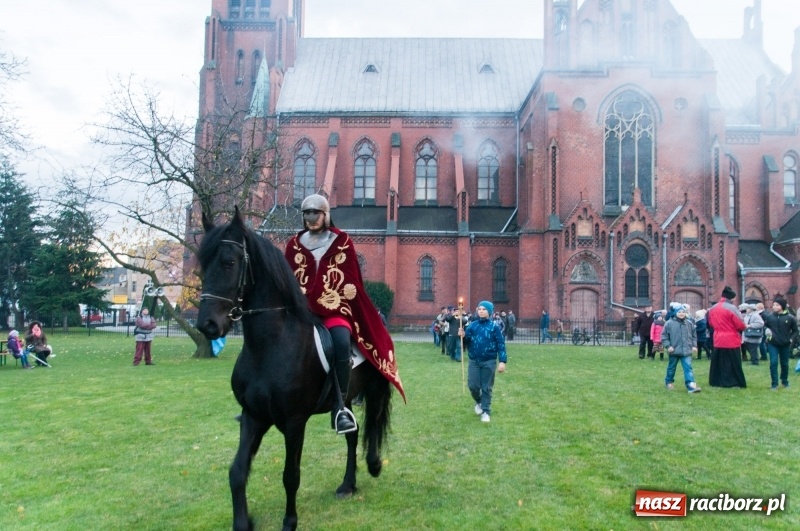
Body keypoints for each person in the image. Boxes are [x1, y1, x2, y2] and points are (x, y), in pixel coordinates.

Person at [285, 194, 404, 434]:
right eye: (306, 214)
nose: (311, 218)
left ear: (326, 214)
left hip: (333, 310)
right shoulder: (294, 245)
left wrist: (324, 299)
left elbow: (349, 282)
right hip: (301, 313)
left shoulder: (342, 242)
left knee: (340, 340)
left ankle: (340, 407)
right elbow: (287, 279)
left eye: (315, 213)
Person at [458, 300, 507, 423]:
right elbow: (466, 341)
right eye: (479, 309)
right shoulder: (472, 326)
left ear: (489, 312)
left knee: (486, 387)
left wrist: (502, 361)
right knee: (473, 386)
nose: (481, 311)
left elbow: (501, 344)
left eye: (484, 309)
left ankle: (486, 411)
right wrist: (462, 335)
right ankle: (479, 402)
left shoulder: (494, 327)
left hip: (489, 361)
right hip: (474, 361)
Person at [707, 286, 747, 388]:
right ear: (731, 298)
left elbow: (710, 323)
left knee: (718, 362)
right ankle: (732, 382)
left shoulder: (713, 308)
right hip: (731, 339)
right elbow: (740, 324)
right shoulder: (732, 308)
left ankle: (716, 381)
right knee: (732, 362)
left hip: (718, 339)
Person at [661, 304, 701, 393]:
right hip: (674, 350)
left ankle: (691, 384)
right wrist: (668, 346)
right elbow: (664, 336)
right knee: (671, 367)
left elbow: (694, 336)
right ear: (675, 313)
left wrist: (694, 346)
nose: (681, 314)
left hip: (686, 351)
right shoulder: (669, 323)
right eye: (679, 312)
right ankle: (669, 381)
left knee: (688, 367)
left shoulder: (689, 323)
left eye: (683, 312)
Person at [762, 297, 798, 390]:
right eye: (773, 305)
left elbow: (795, 331)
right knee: (773, 362)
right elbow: (765, 326)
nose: (774, 307)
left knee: (784, 363)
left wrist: (791, 340)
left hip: (785, 344)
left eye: (777, 305)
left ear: (782, 306)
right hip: (772, 343)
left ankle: (784, 381)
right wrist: (767, 330)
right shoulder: (769, 317)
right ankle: (774, 383)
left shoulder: (790, 318)